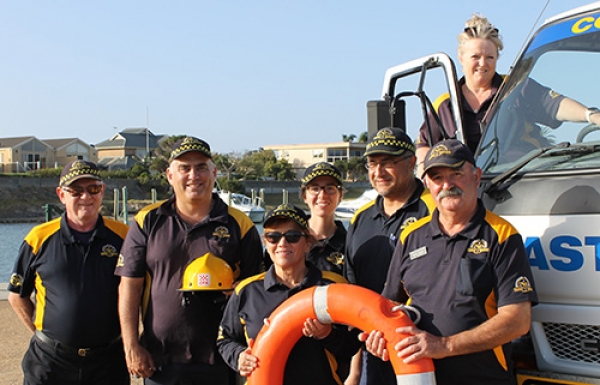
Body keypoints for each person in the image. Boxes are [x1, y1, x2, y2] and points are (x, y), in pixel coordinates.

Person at [363, 139, 538, 385]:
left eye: (457, 173)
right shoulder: (410, 236)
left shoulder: (502, 235)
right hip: (420, 378)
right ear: (427, 184)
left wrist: (443, 345)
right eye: (437, 178)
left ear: (477, 176)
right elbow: (391, 304)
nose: (447, 185)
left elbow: (518, 320)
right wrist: (379, 334)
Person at [115, 136, 264, 385]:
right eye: (184, 168)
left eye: (201, 167)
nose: (194, 175)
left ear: (214, 173)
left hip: (221, 358)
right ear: (170, 175)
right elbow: (129, 285)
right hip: (160, 359)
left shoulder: (240, 223)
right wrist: (131, 345)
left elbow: (256, 291)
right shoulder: (148, 220)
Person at [416, 14, 600, 175]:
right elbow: (424, 144)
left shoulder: (515, 87)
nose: (483, 64)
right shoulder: (445, 105)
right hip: (467, 190)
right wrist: (425, 170)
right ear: (461, 58)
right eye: (475, 57)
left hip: (520, 180)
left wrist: (591, 115)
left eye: (490, 57)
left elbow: (555, 105)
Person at [7, 160, 130, 385]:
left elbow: (142, 291)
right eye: (76, 191)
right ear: (61, 195)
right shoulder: (38, 238)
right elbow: (17, 295)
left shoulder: (125, 236)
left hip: (108, 362)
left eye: (93, 189)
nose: (85, 197)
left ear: (102, 191)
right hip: (50, 363)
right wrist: (40, 333)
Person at [217, 203, 361, 385]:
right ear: (264, 241)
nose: (282, 243)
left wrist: (327, 334)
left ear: (308, 243)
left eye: (292, 237)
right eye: (273, 237)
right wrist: (239, 356)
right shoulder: (247, 291)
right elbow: (225, 339)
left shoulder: (333, 286)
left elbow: (353, 344)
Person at [343, 127, 436, 385]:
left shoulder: (435, 211)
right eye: (373, 164)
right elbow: (352, 288)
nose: (378, 172)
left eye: (388, 163)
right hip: (373, 348)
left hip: (423, 346)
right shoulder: (360, 219)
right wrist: (355, 368)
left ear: (411, 162)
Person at [301, 162, 346, 277]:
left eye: (330, 188)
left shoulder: (350, 244)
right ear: (305, 196)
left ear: (340, 196)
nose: (322, 195)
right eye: (315, 188)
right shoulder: (290, 240)